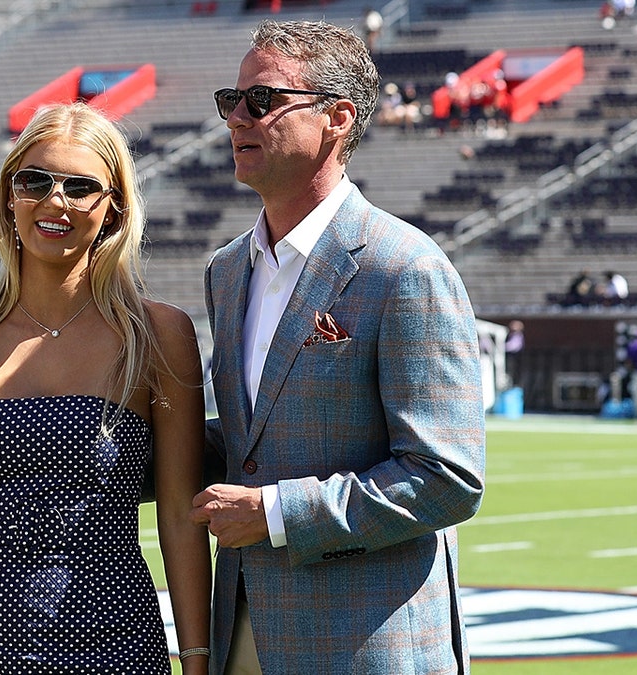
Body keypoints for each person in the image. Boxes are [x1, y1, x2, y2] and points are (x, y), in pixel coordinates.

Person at [191, 21, 486, 674]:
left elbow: (447, 478)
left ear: (337, 118)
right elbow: (252, 439)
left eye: (261, 100)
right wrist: (117, 445)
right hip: (243, 630)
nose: (238, 117)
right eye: (230, 100)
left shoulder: (404, 266)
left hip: (367, 645)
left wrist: (276, 513)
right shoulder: (227, 269)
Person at [0, 102, 211, 674]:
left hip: (113, 633)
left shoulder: (159, 334)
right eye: (35, 180)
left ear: (113, 209)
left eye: (81, 186)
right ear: (9, 196)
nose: (54, 200)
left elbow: (181, 518)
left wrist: (196, 660)